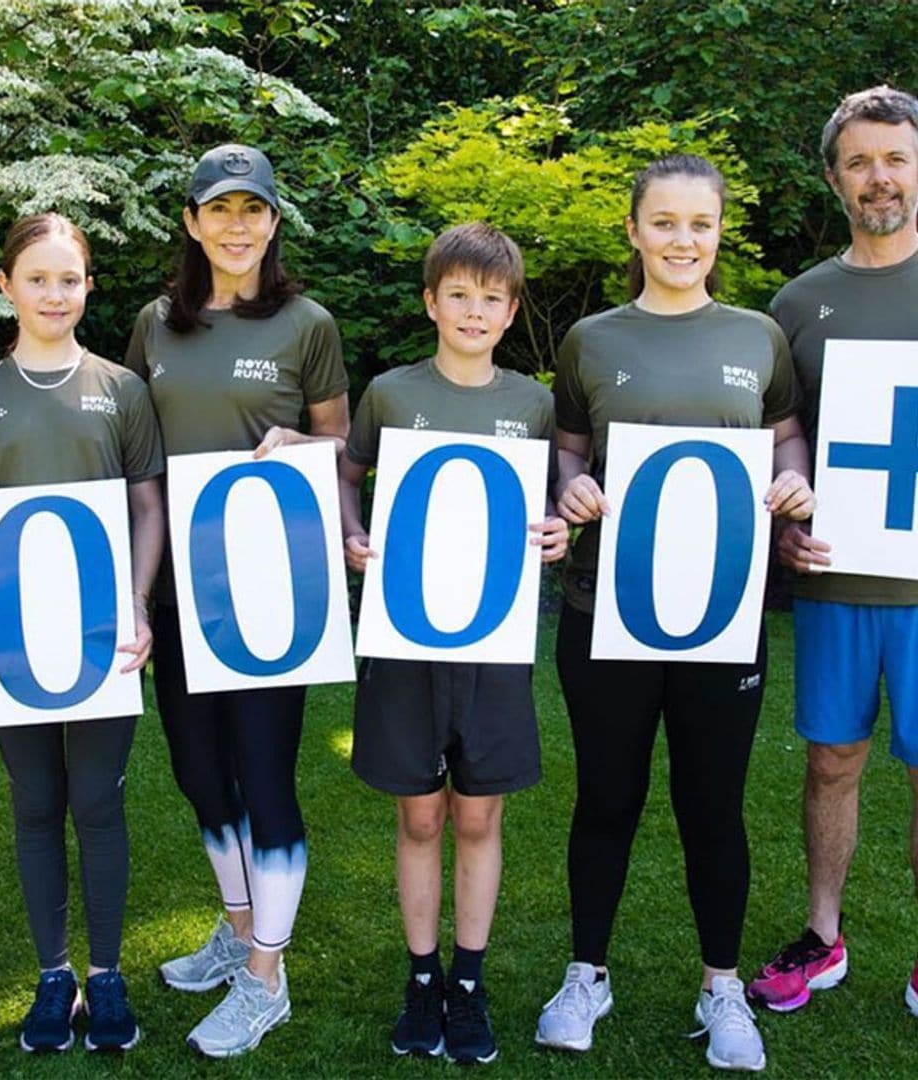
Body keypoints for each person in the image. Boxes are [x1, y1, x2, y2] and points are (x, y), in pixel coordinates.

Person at [536, 155, 815, 1072]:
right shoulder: (590, 339)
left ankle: (721, 985)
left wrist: (794, 481)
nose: (682, 241)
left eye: (699, 223)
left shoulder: (759, 335)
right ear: (633, 230)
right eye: (664, 222)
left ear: (718, 232)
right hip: (606, 609)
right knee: (607, 796)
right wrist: (573, 490)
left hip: (722, 614)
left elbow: (786, 441)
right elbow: (568, 454)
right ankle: (587, 973)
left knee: (711, 803)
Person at [125, 143, 350, 1058]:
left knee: (264, 775)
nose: (237, 226)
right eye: (219, 209)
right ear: (190, 221)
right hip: (181, 587)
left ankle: (267, 974)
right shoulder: (153, 325)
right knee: (197, 772)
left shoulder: (306, 324)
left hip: (271, 590)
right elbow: (131, 449)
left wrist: (305, 450)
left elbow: (339, 446)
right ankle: (236, 922)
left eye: (253, 210)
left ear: (272, 220)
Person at [339, 222, 568, 1065]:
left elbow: (547, 507)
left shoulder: (531, 403)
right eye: (459, 295)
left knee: (478, 812)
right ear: (432, 302)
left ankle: (468, 982)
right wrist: (352, 532)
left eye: (492, 299)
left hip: (493, 643)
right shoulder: (392, 393)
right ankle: (422, 976)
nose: (475, 311)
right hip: (403, 641)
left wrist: (558, 537)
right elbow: (348, 475)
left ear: (511, 313)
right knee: (420, 813)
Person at [0, 213, 165, 1053]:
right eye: (37, 278)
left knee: (98, 801)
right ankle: (53, 976)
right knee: (37, 804)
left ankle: (106, 976)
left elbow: (147, 507)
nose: (55, 293)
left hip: (105, 641)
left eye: (70, 278)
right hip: (12, 644)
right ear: (6, 287)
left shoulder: (120, 390)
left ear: (89, 287)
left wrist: (139, 603)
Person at [747, 86, 918, 1019]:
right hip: (838, 579)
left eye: (895, 156)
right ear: (833, 177)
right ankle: (823, 935)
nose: (879, 176)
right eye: (859, 161)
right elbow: (786, 440)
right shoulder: (800, 303)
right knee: (831, 761)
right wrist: (785, 517)